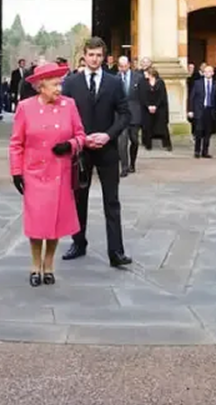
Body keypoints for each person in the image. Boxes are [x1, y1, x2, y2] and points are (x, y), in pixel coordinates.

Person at [9, 62, 86, 286]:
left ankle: (49, 265)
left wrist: (70, 145)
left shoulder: (69, 105)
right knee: (37, 223)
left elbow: (82, 136)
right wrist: (16, 171)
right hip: (34, 173)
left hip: (59, 172)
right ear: (41, 86)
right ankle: (35, 265)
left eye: (60, 84)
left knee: (55, 223)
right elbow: (16, 144)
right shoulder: (25, 107)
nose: (59, 89)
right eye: (54, 85)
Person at [61, 37, 132, 268]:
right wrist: (81, 138)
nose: (95, 59)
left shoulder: (114, 83)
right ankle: (78, 242)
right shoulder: (71, 83)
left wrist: (108, 135)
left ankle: (116, 252)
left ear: (104, 56)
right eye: (91, 55)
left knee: (112, 201)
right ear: (84, 55)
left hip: (107, 150)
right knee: (79, 199)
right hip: (81, 151)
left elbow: (124, 115)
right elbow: (65, 117)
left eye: (99, 55)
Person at [188, 64, 216, 159]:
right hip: (199, 110)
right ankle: (197, 151)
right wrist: (190, 110)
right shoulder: (197, 83)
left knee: (208, 132)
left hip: (210, 110)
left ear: (212, 73)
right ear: (203, 73)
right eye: (206, 71)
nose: (208, 73)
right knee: (199, 131)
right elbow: (192, 97)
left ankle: (205, 151)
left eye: (210, 71)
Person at [117, 55, 142, 176]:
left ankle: (132, 163)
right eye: (120, 66)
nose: (123, 68)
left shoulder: (138, 78)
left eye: (125, 66)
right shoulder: (115, 79)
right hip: (121, 115)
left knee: (134, 140)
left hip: (135, 114)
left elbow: (143, 97)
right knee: (122, 142)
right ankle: (124, 167)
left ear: (129, 65)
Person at [139, 66, 172, 151]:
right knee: (148, 126)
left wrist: (156, 106)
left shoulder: (160, 82)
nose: (144, 74)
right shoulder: (143, 83)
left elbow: (162, 96)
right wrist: (148, 106)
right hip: (147, 107)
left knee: (163, 126)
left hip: (160, 107)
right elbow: (142, 95)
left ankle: (167, 144)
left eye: (146, 73)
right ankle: (148, 144)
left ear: (151, 74)